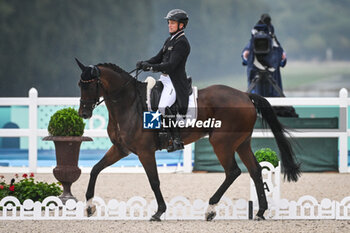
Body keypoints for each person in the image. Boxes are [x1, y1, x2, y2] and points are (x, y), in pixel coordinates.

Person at [136, 9, 191, 152]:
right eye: (169, 22)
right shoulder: (170, 40)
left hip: (174, 81)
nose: (169, 25)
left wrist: (152, 67)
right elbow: (158, 58)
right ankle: (154, 133)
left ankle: (177, 140)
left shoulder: (182, 43)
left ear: (181, 25)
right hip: (164, 80)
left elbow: (171, 66)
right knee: (149, 101)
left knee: (162, 107)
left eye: (173, 23)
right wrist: (144, 63)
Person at [241, 13, 287, 97]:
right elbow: (282, 59)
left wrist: (246, 55)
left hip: (266, 79)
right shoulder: (273, 42)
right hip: (266, 79)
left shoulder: (260, 41)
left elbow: (245, 58)